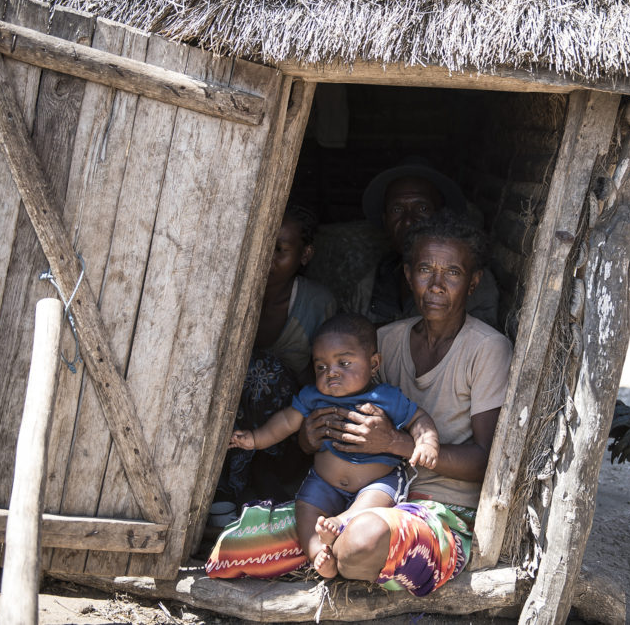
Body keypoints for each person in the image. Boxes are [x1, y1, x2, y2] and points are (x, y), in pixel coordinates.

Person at [207, 211, 513, 598]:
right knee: (234, 547)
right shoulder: (382, 342)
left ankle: (349, 555)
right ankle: (332, 556)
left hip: (437, 509)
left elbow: (486, 461)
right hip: (352, 497)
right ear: (407, 276)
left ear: (473, 282)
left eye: (452, 272)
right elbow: (329, 421)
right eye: (424, 269)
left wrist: (397, 444)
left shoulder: (487, 349)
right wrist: (309, 437)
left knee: (361, 541)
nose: (436, 284)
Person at [230, 313, 439, 578]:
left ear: (374, 364)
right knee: (305, 508)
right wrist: (256, 439)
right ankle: (320, 555)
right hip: (324, 482)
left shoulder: (385, 397)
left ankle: (342, 522)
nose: (332, 373)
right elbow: (285, 422)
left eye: (344, 362)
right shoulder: (313, 397)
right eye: (321, 367)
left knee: (377, 498)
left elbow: (418, 417)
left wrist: (427, 442)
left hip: (376, 483)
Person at [215, 203, 336, 510]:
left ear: (304, 256)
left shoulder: (315, 303)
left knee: (264, 371)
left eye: (279, 249)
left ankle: (255, 479)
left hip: (285, 430)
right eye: (261, 245)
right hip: (224, 420)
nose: (265, 259)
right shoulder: (221, 291)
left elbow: (322, 381)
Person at [346, 158, 500, 328]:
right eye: (397, 209)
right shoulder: (372, 283)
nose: (408, 221)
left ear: (441, 214)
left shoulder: (472, 282)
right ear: (385, 220)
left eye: (422, 208)